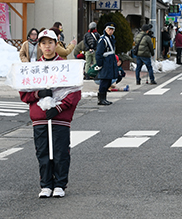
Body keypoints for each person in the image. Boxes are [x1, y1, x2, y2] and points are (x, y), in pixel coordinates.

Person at [19, 29, 81, 198]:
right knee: (43, 152)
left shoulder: (65, 67)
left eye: (50, 43)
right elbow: (24, 93)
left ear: (56, 44)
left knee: (60, 152)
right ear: (39, 45)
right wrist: (39, 94)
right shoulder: (34, 68)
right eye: (43, 43)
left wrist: (58, 108)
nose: (47, 46)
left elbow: (74, 92)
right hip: (40, 119)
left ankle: (60, 184)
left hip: (59, 118)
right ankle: (46, 184)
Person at [95, 22, 118, 105]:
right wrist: (100, 64)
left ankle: (104, 98)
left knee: (108, 80)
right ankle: (101, 99)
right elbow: (98, 53)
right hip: (105, 62)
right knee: (104, 81)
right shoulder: (103, 40)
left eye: (112, 29)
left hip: (110, 62)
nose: (111, 31)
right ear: (105, 29)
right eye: (109, 29)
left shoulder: (111, 38)